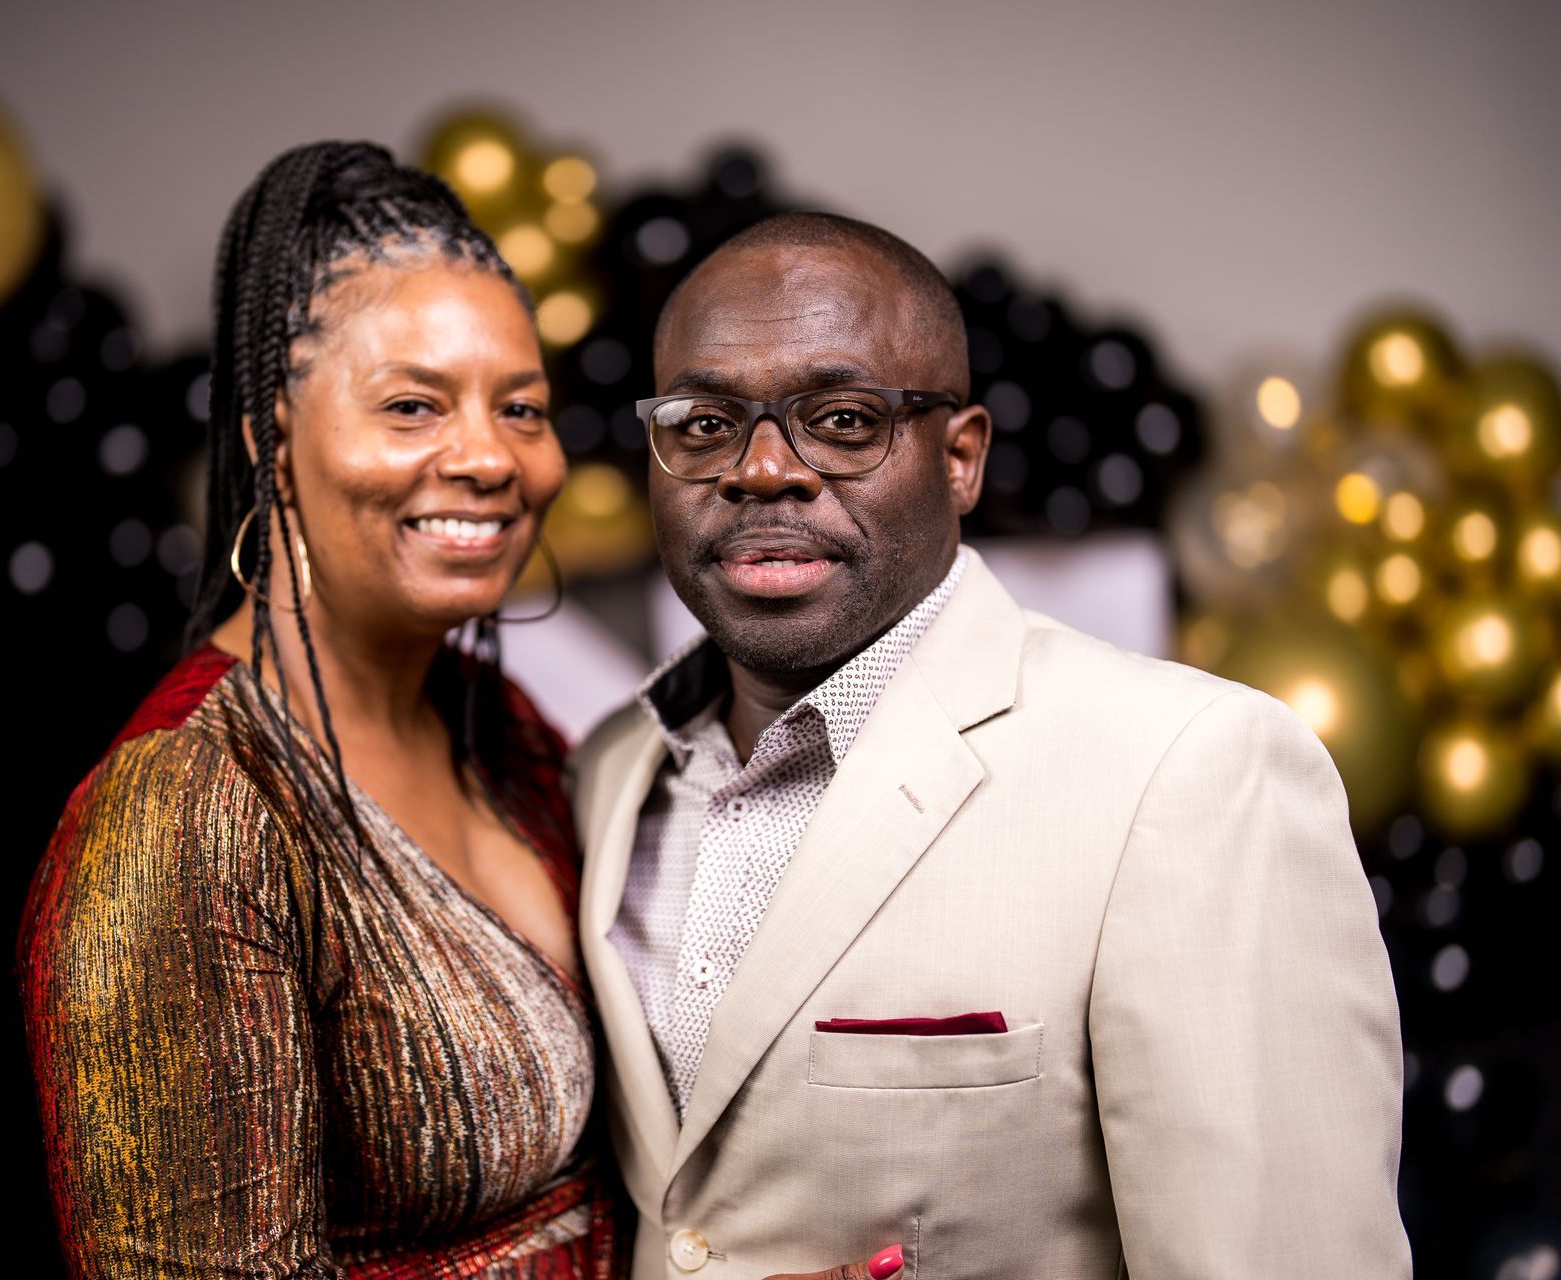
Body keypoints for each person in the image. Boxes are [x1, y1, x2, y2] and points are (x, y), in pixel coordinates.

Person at [572, 212, 1409, 1278]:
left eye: (840, 419)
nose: (763, 469)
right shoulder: (608, 773)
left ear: (960, 458)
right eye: (702, 424)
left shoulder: (1193, 769)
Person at [18, 141, 620, 1279]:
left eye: (523, 407)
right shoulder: (186, 816)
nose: (491, 456)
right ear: (269, 439)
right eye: (412, 404)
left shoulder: (502, 723)